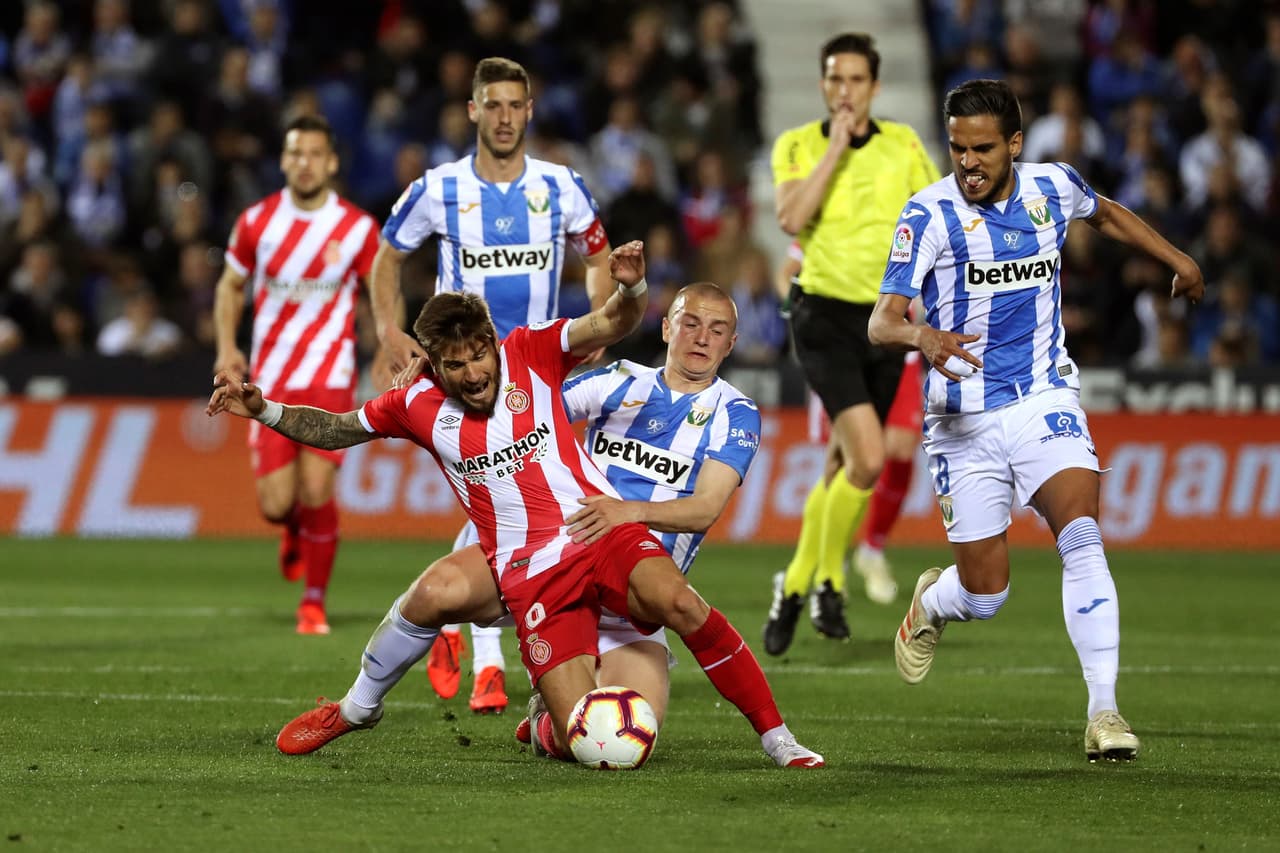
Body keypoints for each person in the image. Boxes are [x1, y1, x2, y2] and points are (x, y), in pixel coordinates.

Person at [207, 242, 823, 769]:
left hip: (597, 534)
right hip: (528, 573)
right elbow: (338, 428)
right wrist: (264, 410)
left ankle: (778, 738)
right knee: (583, 736)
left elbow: (610, 321)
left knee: (680, 601)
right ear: (433, 367)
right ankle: (358, 709)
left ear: (493, 344)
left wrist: (631, 286)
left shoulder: (533, 351)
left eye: (480, 356)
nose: (474, 374)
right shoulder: (413, 406)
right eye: (456, 365)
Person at [867, 78, 1205, 761]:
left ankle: (1104, 710)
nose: (968, 162)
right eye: (958, 148)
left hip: (1044, 397)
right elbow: (882, 321)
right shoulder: (927, 216)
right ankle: (933, 604)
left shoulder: (1052, 187)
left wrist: (1177, 258)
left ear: (1015, 144)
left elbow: (1104, 212)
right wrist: (921, 338)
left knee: (1081, 532)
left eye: (983, 148)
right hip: (962, 420)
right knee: (987, 593)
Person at [394, 280, 759, 743]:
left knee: (622, 740)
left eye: (717, 328)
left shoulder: (736, 413)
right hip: (562, 572)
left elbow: (705, 509)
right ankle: (475, 653)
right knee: (460, 566)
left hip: (633, 607)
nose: (702, 337)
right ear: (666, 329)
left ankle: (545, 716)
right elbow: (513, 404)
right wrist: (437, 369)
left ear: (732, 342)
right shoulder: (617, 381)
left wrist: (629, 512)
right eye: (690, 323)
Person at [370, 56, 616, 714]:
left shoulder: (561, 186)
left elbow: (599, 255)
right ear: (473, 111)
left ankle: (465, 630)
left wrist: (591, 323)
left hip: (537, 370)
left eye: (516, 106)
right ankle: (489, 663)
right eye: (493, 106)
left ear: (529, 111)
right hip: (469, 376)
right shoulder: (439, 188)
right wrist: (391, 334)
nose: (505, 118)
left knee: (517, 507)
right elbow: (386, 257)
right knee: (503, 503)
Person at [763, 32, 940, 655]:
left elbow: (935, 212)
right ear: (822, 84)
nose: (845, 91)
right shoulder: (798, 146)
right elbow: (790, 218)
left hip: (886, 321)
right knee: (867, 459)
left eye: (856, 81)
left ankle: (799, 583)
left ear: (874, 86)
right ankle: (821, 581)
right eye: (835, 80)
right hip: (825, 319)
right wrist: (835, 148)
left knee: (844, 465)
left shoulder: (904, 145)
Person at [211, 113, 381, 635]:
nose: (304, 163)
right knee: (276, 504)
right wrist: (226, 349)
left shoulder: (356, 228)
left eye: (314, 154)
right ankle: (293, 531)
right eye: (295, 153)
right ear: (283, 160)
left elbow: (381, 294)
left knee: (316, 489)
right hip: (271, 378)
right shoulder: (258, 222)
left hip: (332, 380)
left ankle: (314, 602)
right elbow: (228, 288)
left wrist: (386, 348)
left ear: (330, 162)